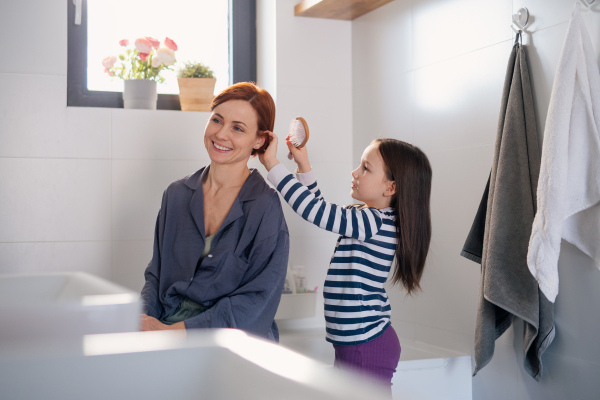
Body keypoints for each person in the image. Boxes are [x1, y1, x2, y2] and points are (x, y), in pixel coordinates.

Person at [259, 134, 432, 394]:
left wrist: (272, 164)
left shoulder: (375, 223)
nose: (355, 172)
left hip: (365, 344)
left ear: (390, 188)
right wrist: (303, 165)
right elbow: (318, 206)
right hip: (356, 342)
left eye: (366, 168)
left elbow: (313, 211)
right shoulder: (365, 217)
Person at [140, 82, 289, 342]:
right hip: (166, 323)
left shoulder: (265, 206)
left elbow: (256, 302)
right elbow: (156, 273)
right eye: (217, 120)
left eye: (238, 128)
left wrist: (171, 332)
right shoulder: (175, 195)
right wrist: (144, 320)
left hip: (234, 338)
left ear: (259, 140)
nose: (221, 134)